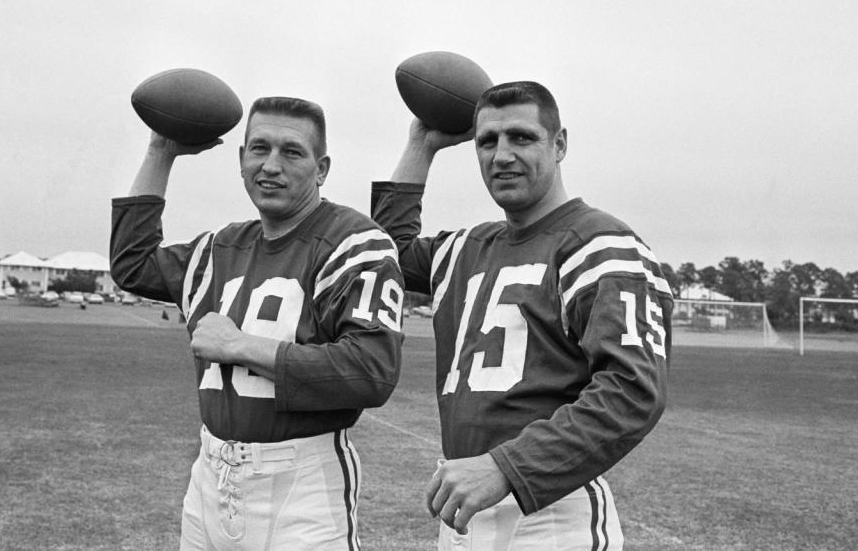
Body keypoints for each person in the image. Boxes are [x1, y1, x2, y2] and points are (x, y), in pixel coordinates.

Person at [371, 81, 670, 549]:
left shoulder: (600, 243)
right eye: (487, 141)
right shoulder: (465, 247)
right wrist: (421, 146)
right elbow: (381, 256)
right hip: (462, 501)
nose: (502, 154)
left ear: (560, 144)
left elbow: (632, 390)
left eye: (521, 137)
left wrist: (506, 466)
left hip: (548, 512)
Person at [111, 96, 405, 550]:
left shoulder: (354, 241)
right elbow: (132, 264)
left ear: (321, 168)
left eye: (291, 151)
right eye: (258, 149)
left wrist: (240, 346)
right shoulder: (220, 246)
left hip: (301, 486)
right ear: (241, 159)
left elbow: (371, 371)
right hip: (210, 477)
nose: (270, 165)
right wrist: (160, 151)